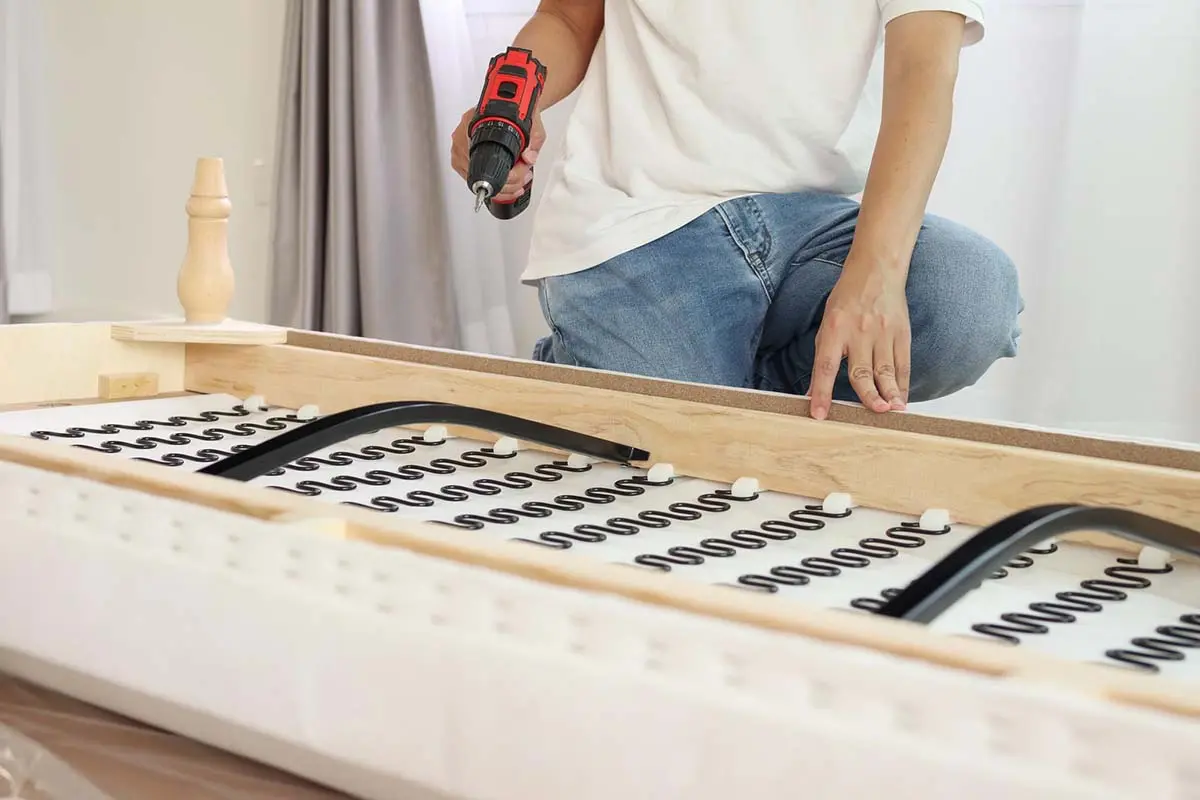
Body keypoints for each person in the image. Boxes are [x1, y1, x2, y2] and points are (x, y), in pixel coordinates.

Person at [450, 0, 1022, 421]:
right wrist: (511, 103)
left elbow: (923, 70)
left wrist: (877, 276)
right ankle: (640, 377)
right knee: (684, 448)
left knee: (967, 295)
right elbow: (570, 19)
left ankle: (668, 381)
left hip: (809, 222)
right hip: (634, 219)